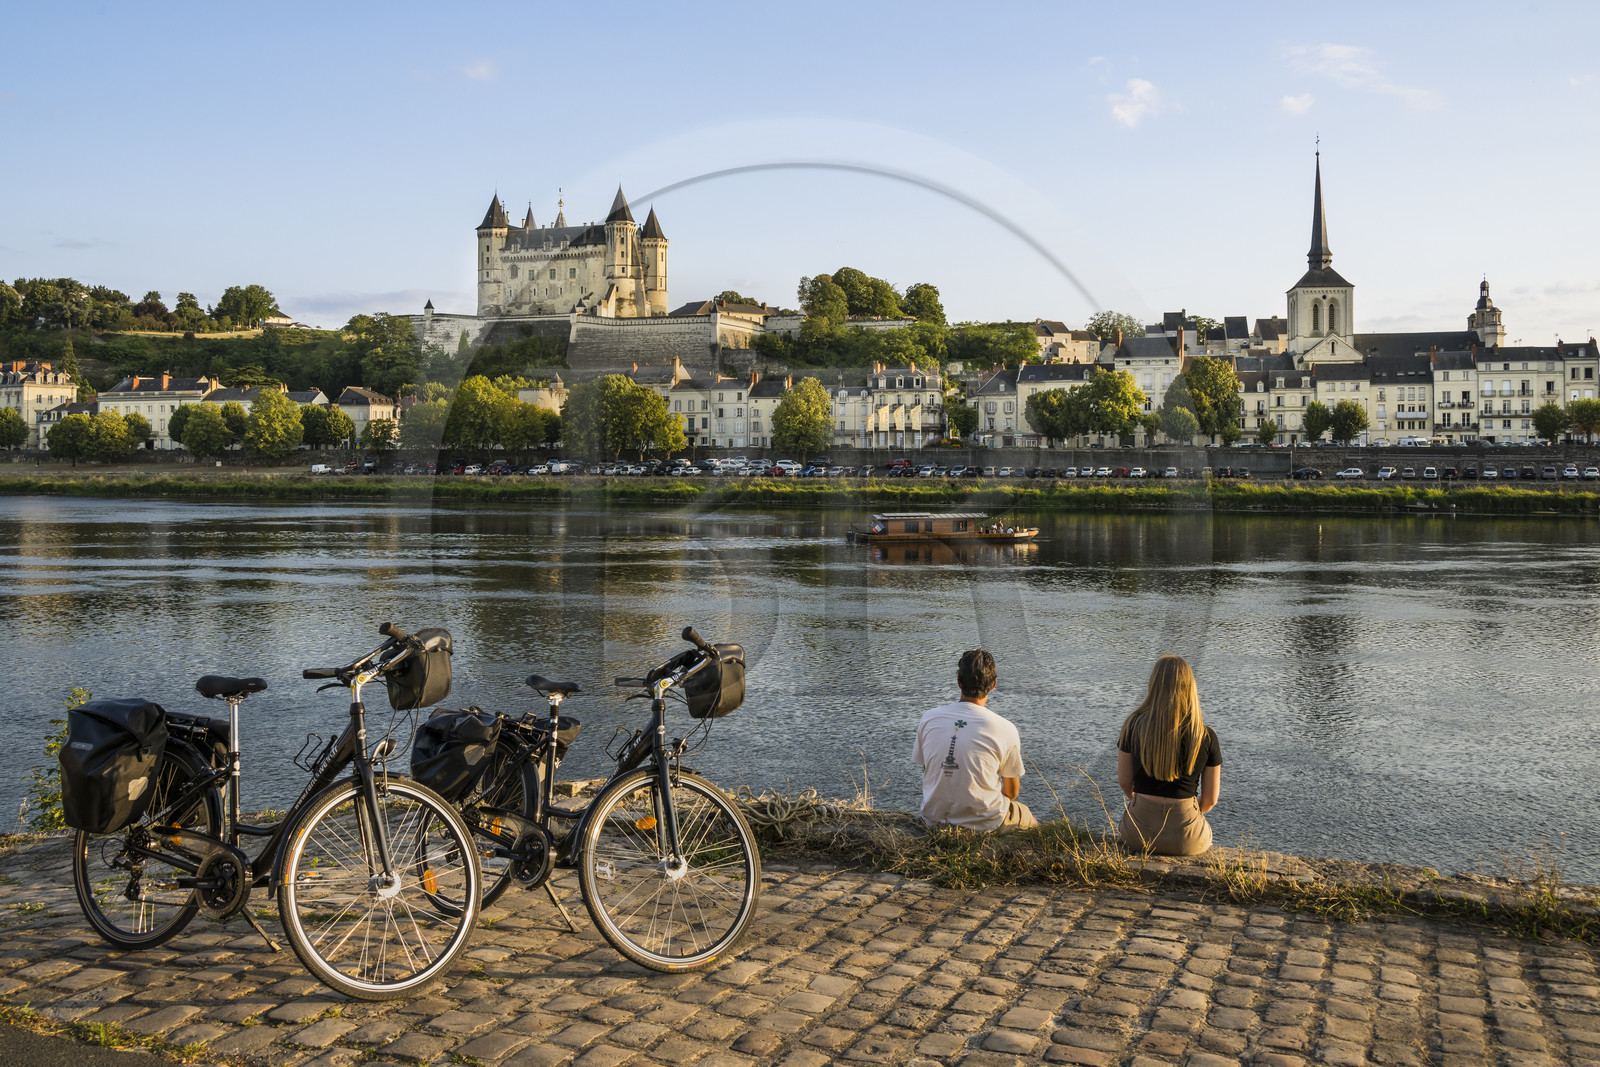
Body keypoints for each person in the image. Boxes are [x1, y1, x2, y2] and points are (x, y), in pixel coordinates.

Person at [912, 649, 1037, 831]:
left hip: (934, 820)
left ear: (959, 683)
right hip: (986, 823)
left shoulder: (929, 718)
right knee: (1031, 820)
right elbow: (1011, 792)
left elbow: (930, 770)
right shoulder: (1005, 728)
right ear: (994, 684)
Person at [1117, 654, 1221, 855]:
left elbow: (1124, 781)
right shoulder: (1206, 736)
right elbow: (1209, 800)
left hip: (1137, 834)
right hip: (1188, 840)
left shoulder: (1132, 726)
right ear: (1190, 687)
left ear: (1154, 684)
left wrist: (1143, 804)